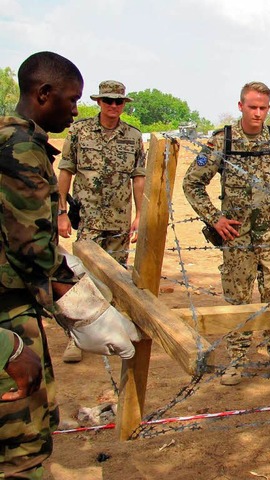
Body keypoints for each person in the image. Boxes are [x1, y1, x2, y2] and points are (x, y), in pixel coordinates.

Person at [1, 51, 138, 479]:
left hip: (14, 302)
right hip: (6, 311)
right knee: (20, 427)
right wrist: (85, 314)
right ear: (44, 94)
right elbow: (31, 248)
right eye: (72, 98)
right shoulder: (21, 149)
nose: (75, 107)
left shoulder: (12, 138)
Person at [183, 81, 270, 386]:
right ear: (240, 106)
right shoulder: (220, 142)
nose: (258, 113)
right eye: (252, 107)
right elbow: (192, 183)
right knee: (237, 299)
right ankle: (236, 361)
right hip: (236, 238)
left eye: (263, 108)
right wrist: (215, 219)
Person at [56, 80, 146, 363]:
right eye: (108, 101)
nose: (114, 106)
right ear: (99, 102)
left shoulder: (133, 136)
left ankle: (116, 331)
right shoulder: (79, 132)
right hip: (88, 220)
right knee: (82, 282)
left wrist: (140, 214)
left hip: (119, 219)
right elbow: (66, 173)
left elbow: (138, 177)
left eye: (119, 102)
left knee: (119, 277)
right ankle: (75, 338)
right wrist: (60, 212)